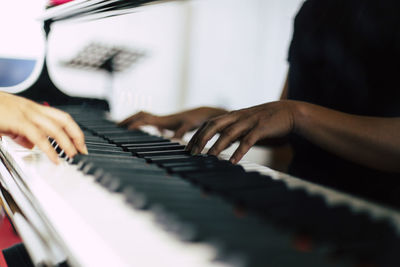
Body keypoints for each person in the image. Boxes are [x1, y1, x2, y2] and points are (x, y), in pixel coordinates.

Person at [120, 0, 400, 204]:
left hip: (378, 215)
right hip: (304, 198)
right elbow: (289, 126)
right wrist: (215, 117)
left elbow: (296, 116)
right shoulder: (312, 10)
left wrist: (296, 115)